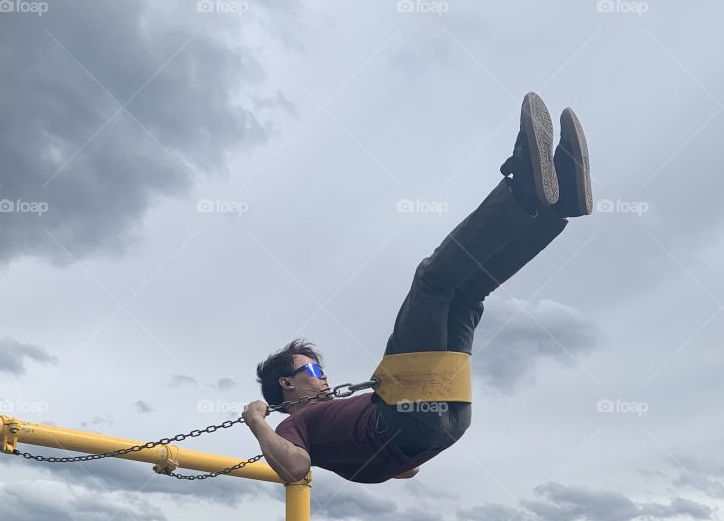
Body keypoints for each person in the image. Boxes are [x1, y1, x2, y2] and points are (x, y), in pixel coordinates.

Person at [243, 91, 592, 484]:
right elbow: (295, 467)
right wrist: (256, 420)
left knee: (467, 295)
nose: (323, 374)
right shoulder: (295, 425)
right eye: (312, 368)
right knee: (432, 280)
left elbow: (407, 470)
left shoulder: (329, 425)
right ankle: (523, 188)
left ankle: (555, 210)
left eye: (320, 367)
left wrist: (376, 440)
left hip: (445, 422)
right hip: (413, 417)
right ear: (286, 384)